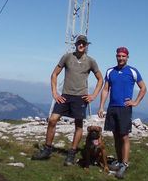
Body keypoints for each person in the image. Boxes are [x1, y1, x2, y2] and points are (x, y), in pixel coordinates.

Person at [32, 35, 103, 166]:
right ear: (75, 44)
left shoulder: (91, 61)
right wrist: (55, 92)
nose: (81, 45)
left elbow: (100, 79)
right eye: (79, 43)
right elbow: (54, 74)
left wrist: (93, 95)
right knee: (53, 119)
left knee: (78, 125)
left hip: (80, 97)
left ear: (87, 45)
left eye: (83, 43)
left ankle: (71, 154)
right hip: (65, 95)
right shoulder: (67, 57)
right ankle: (47, 150)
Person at [98, 47, 147, 179]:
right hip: (112, 107)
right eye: (119, 56)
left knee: (124, 136)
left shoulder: (132, 71)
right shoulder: (110, 71)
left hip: (124, 108)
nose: (121, 58)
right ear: (116, 56)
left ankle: (124, 164)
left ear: (127, 57)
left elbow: (143, 88)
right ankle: (119, 161)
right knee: (116, 136)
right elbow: (105, 89)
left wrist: (135, 102)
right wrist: (101, 106)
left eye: (123, 56)